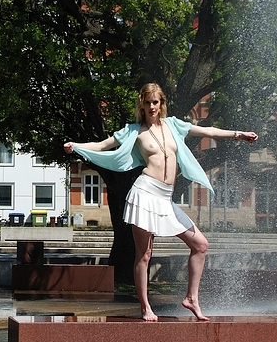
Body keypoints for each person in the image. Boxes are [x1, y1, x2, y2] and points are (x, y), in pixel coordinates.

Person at [64, 83, 258, 322]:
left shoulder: (174, 125)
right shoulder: (134, 131)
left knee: (200, 245)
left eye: (155, 102)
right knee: (144, 255)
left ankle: (191, 298)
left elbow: (208, 132)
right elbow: (104, 145)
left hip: (165, 198)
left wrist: (239, 134)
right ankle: (145, 307)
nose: (152, 107)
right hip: (144, 194)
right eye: (147, 103)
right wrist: (76, 147)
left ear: (161, 103)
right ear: (142, 105)